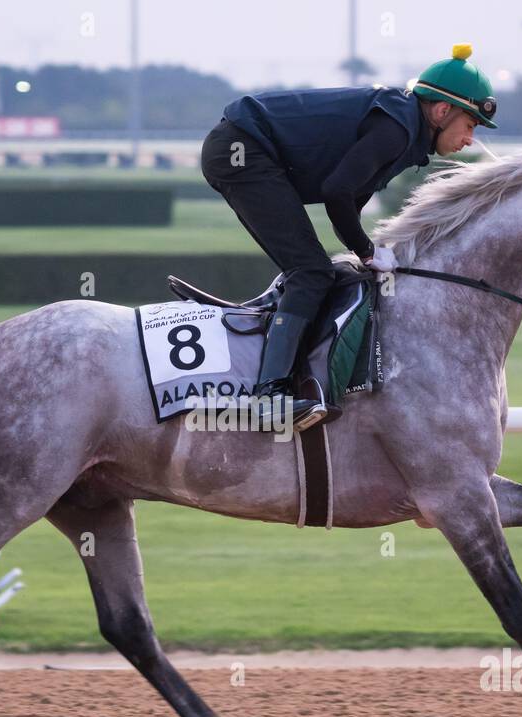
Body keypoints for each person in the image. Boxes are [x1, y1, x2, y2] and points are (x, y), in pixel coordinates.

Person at [200, 44, 498, 431]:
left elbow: (348, 201)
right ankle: (268, 395)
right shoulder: (398, 127)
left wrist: (366, 251)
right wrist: (368, 250)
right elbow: (337, 192)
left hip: (245, 146)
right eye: (470, 125)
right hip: (242, 150)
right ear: (443, 111)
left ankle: (287, 367)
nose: (470, 139)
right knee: (310, 272)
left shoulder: (405, 128)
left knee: (315, 271)